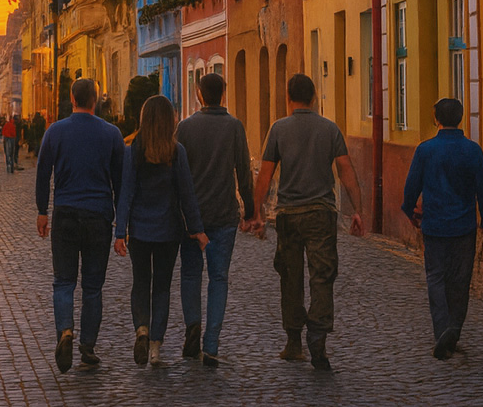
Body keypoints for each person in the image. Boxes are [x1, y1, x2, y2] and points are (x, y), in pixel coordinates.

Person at [254, 73, 364, 371]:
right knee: (322, 276)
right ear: (314, 97)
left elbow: (264, 175)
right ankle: (318, 337)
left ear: (288, 98)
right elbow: (346, 170)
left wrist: (257, 213)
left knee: (290, 278)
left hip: (289, 215)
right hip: (321, 213)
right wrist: (358, 210)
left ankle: (293, 342)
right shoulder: (330, 129)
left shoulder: (278, 129)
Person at [36, 77, 126, 374]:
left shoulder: (55, 131)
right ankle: (87, 344)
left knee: (63, 281)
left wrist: (41, 210)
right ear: (95, 99)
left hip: (64, 212)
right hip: (98, 215)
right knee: (92, 285)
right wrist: (121, 223)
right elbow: (120, 182)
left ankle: (65, 331)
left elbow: (42, 172)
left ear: (72, 98)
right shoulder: (112, 134)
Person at [114, 95, 206, 368]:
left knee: (140, 282)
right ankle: (155, 347)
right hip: (168, 231)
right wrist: (197, 229)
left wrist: (120, 231)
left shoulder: (133, 151)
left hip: (140, 231)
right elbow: (187, 195)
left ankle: (141, 329)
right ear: (169, 120)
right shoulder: (176, 152)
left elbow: (126, 192)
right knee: (162, 288)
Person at [401, 97, 483, 361]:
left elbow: (412, 186)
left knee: (436, 278)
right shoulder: (472, 150)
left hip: (435, 225)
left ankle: (444, 330)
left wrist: (409, 210)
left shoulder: (426, 150)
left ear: (436, 119)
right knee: (460, 281)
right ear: (461, 118)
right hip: (463, 226)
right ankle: (453, 331)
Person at [175, 71, 255, 366]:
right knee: (218, 278)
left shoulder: (184, 127)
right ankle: (211, 342)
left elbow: (175, 173)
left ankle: (192, 329)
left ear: (199, 93)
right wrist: (250, 208)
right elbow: (243, 173)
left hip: (191, 218)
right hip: (223, 215)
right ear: (224, 92)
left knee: (190, 275)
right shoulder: (234, 127)